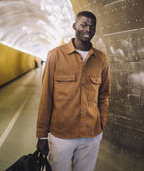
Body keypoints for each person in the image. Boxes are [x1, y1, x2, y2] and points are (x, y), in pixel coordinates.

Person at [36, 11, 111, 171]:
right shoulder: (55, 56)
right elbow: (46, 97)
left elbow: (104, 94)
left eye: (92, 26)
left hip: (92, 134)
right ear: (74, 26)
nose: (88, 29)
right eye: (83, 25)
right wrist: (42, 135)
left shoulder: (101, 59)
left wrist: (102, 122)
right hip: (62, 135)